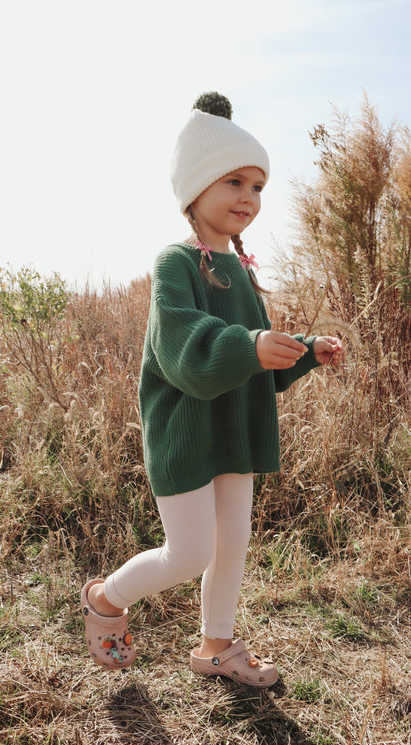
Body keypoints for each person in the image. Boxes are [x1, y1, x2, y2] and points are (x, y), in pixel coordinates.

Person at [80, 92, 342, 687]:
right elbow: (187, 346)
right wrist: (250, 345)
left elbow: (255, 357)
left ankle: (216, 648)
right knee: (190, 551)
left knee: (232, 547)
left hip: (235, 432)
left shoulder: (243, 269)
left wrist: (300, 350)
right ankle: (106, 597)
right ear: (194, 191)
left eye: (258, 186)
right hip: (185, 433)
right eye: (234, 182)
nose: (249, 197)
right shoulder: (176, 263)